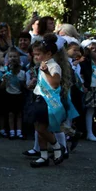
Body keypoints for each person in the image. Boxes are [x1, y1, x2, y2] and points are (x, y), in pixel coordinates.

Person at [29, 34, 70, 167]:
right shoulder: (44, 63)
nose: (36, 56)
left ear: (48, 53)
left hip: (47, 102)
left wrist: (46, 72)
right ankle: (44, 156)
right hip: (39, 98)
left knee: (42, 129)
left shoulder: (53, 66)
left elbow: (55, 83)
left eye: (38, 54)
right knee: (38, 129)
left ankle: (58, 147)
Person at [2, 47, 26, 140]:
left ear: (19, 58)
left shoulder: (22, 72)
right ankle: (12, 132)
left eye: (15, 56)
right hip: (9, 94)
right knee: (11, 114)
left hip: (19, 95)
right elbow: (2, 86)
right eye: (10, 56)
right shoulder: (6, 71)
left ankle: (19, 132)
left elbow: (23, 85)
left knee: (19, 114)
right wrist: (4, 80)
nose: (13, 58)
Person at [80, 39, 96, 141]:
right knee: (90, 109)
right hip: (90, 87)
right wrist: (84, 85)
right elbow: (82, 75)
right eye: (94, 50)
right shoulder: (85, 62)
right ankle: (89, 133)